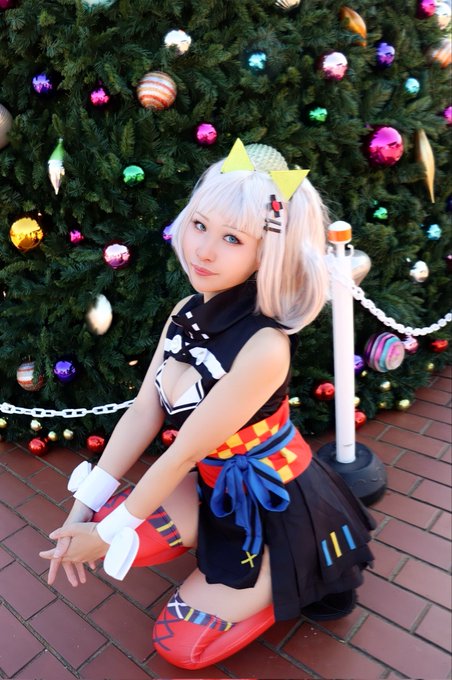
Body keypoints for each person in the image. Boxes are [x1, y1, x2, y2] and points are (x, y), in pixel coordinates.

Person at [40, 139, 375, 670]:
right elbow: (145, 410)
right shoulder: (185, 310)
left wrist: (102, 536)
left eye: (232, 238)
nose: (204, 251)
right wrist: (81, 514)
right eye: (199, 225)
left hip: (271, 503)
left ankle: (288, 573)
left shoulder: (265, 346)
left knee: (179, 645)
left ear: (266, 252)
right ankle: (208, 547)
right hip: (211, 482)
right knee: (109, 517)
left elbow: (182, 454)